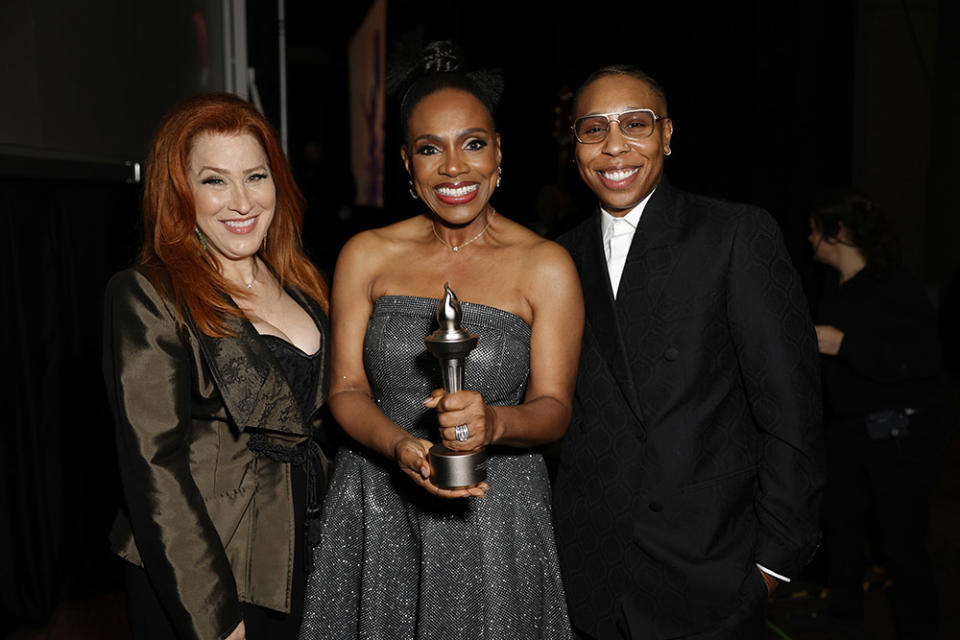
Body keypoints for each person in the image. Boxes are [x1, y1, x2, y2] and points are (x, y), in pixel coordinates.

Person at [298, 42, 582, 639]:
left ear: (499, 151)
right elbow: (345, 390)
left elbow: (554, 411)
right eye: (431, 149)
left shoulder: (545, 265)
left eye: (473, 143)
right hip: (378, 503)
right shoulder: (367, 255)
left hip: (496, 513)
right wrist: (403, 447)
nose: (455, 168)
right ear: (407, 162)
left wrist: (496, 425)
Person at [552, 65, 825, 639]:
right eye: (594, 129)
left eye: (636, 124)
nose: (615, 145)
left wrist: (772, 563)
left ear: (668, 135)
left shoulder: (733, 234)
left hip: (705, 574)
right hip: (586, 578)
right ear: (574, 145)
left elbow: (791, 410)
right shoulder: (555, 258)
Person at [102, 93, 330, 640]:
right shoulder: (148, 294)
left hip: (309, 552)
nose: (241, 201)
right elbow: (154, 469)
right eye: (214, 181)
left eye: (255, 176)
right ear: (179, 192)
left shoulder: (303, 283)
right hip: (209, 567)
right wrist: (212, 616)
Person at [809, 192, 950, 638]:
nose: (809, 237)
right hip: (849, 434)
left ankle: (920, 628)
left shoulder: (895, 285)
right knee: (843, 533)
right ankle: (845, 619)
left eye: (816, 228)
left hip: (898, 437)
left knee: (901, 545)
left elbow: (921, 361)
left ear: (841, 232)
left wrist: (843, 344)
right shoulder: (834, 290)